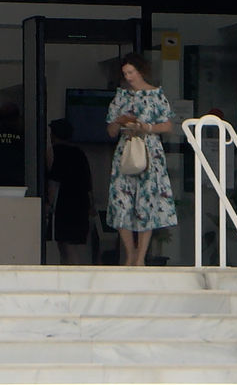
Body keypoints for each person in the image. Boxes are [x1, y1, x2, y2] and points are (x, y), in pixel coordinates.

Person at [105, 53, 177, 266]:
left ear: (140, 71)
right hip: (126, 149)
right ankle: (130, 253)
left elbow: (168, 125)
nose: (128, 77)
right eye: (125, 73)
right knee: (121, 201)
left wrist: (146, 127)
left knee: (148, 201)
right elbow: (110, 131)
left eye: (131, 72)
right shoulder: (121, 96)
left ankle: (140, 257)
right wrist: (119, 122)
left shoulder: (156, 95)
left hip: (149, 150)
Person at [47, 118, 93, 265]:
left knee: (66, 247)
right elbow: (88, 183)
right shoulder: (79, 153)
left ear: (54, 135)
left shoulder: (54, 153)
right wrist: (91, 206)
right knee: (73, 246)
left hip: (64, 205)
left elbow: (53, 182)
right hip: (81, 203)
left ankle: (72, 274)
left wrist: (49, 204)